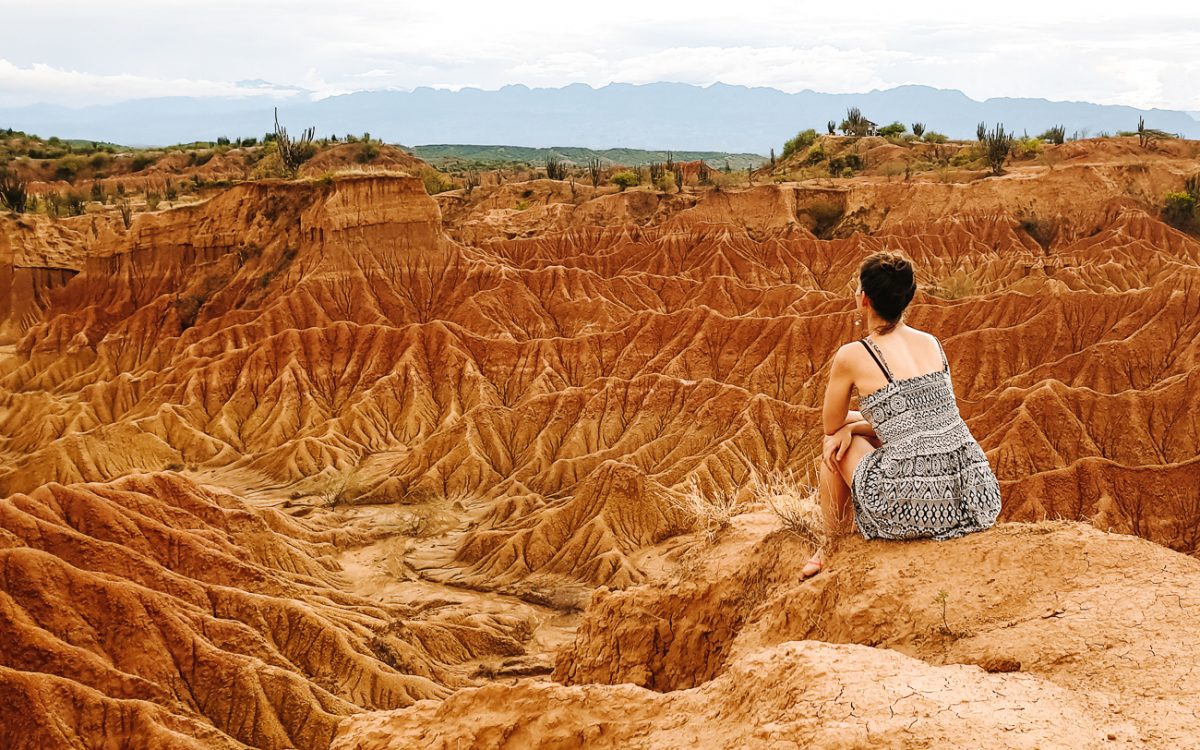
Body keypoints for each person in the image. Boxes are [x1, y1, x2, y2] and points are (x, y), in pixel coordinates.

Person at [801, 252, 1001, 579]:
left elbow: (831, 424)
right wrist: (859, 426)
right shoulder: (932, 344)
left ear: (864, 299)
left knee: (834, 443)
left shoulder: (853, 355)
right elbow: (920, 421)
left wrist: (849, 427)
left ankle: (829, 544)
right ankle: (829, 544)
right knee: (870, 434)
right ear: (907, 298)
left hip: (911, 504)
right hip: (971, 494)